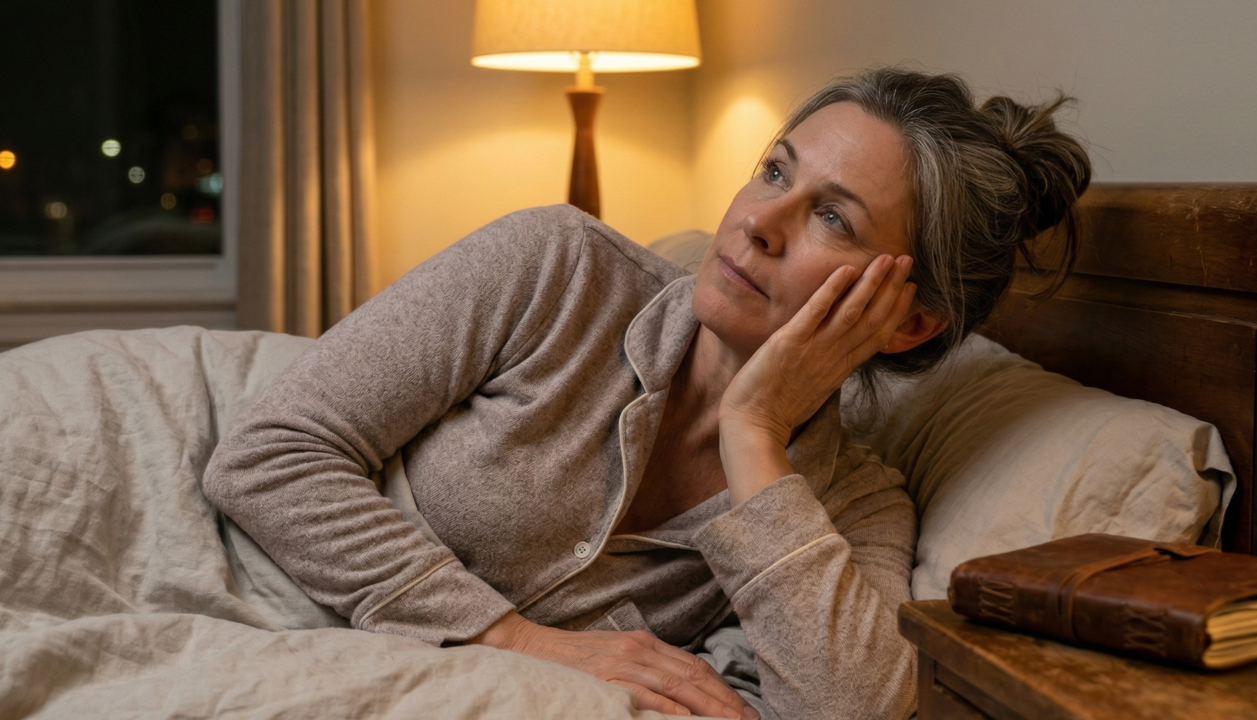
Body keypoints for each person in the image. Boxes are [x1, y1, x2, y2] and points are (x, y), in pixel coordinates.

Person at [204, 67, 1090, 720]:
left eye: (833, 217)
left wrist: (753, 430)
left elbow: (852, 708)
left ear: (907, 324)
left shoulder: (849, 503)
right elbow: (266, 455)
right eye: (776, 171)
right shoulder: (556, 267)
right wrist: (517, 638)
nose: (756, 220)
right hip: (218, 557)